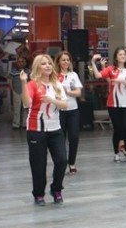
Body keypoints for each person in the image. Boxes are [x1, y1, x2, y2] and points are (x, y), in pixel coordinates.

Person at [21, 54, 68, 206]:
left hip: (55, 128)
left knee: (62, 160)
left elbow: (64, 105)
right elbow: (27, 103)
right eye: (43, 64)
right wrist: (23, 83)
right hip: (36, 129)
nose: (48, 66)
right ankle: (38, 194)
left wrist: (52, 100)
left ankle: (56, 189)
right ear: (37, 67)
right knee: (38, 164)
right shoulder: (33, 84)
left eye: (49, 63)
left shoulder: (57, 84)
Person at [93, 48, 126, 161]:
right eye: (120, 54)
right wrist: (93, 62)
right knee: (118, 129)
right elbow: (98, 75)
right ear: (116, 57)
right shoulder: (111, 69)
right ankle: (116, 153)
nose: (122, 56)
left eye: (124, 54)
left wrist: (119, 81)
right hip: (113, 103)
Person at [55, 51, 83, 173]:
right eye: (63, 60)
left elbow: (78, 93)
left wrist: (68, 92)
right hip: (59, 111)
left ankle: (72, 163)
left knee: (74, 137)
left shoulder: (73, 75)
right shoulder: (54, 75)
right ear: (58, 62)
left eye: (67, 60)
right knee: (60, 138)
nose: (66, 62)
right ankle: (61, 162)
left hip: (73, 110)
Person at [10, 56, 28, 129]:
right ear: (17, 63)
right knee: (16, 109)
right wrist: (13, 90)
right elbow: (10, 81)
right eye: (19, 61)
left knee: (25, 109)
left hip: (26, 93)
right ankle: (16, 124)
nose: (20, 63)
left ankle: (25, 124)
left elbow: (30, 81)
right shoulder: (13, 71)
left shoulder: (28, 71)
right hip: (16, 91)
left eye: (22, 61)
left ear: (24, 63)